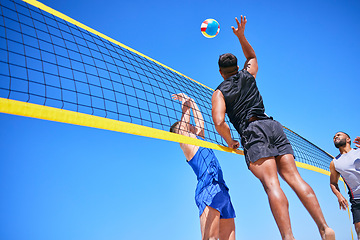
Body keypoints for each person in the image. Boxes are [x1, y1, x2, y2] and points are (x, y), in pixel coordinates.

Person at [211, 15, 335, 240]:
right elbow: (252, 56)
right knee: (295, 178)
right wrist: (241, 36)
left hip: (252, 131)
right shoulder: (248, 75)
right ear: (237, 67)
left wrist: (230, 141)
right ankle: (325, 227)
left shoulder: (219, 92)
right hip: (272, 125)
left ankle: (288, 237)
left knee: (271, 184)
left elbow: (219, 122)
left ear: (220, 72)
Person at [170, 93, 236, 240]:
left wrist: (192, 101)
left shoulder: (200, 140)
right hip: (207, 189)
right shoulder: (186, 143)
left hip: (221, 188)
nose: (192, 125)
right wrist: (185, 105)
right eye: (186, 125)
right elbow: (185, 124)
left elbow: (201, 122)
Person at [330, 132, 360, 239]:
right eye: (334, 137)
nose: (335, 137)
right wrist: (339, 196)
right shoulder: (335, 162)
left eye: (338, 135)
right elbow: (333, 183)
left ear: (348, 139)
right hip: (357, 201)